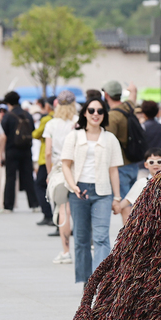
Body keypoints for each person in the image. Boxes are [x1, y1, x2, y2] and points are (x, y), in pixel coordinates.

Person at [60, 99, 124, 282]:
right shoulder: (74, 136)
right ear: (85, 113)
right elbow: (65, 164)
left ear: (104, 115)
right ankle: (85, 282)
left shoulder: (110, 138)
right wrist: (74, 187)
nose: (96, 114)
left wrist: (117, 197)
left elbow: (114, 170)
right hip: (79, 190)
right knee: (81, 239)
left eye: (100, 111)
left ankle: (98, 283)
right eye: (91, 110)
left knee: (102, 238)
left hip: (102, 192)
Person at [43, 91, 78, 264]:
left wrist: (49, 172)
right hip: (77, 167)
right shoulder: (78, 122)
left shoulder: (51, 124)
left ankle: (65, 251)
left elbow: (47, 152)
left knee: (63, 209)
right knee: (80, 208)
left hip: (58, 167)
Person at [103, 81, 143, 200]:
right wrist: (133, 89)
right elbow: (132, 97)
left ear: (106, 95)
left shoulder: (112, 116)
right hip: (133, 163)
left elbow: (108, 143)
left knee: (124, 205)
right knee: (132, 202)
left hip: (120, 166)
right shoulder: (128, 107)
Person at [0, 92, 40, 214]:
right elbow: (32, 130)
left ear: (8, 103)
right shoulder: (27, 114)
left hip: (11, 150)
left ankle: (8, 205)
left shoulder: (7, 116)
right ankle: (34, 204)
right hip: (26, 150)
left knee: (10, 178)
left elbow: (3, 134)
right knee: (28, 177)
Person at [117, 149, 161, 224]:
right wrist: (116, 207)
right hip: (146, 222)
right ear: (146, 165)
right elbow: (129, 199)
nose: (155, 164)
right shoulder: (142, 182)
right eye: (151, 162)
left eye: (159, 161)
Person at [32, 97, 57, 227]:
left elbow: (36, 134)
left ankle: (48, 214)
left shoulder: (47, 119)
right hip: (60, 159)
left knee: (40, 185)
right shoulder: (63, 119)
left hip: (46, 158)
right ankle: (58, 218)